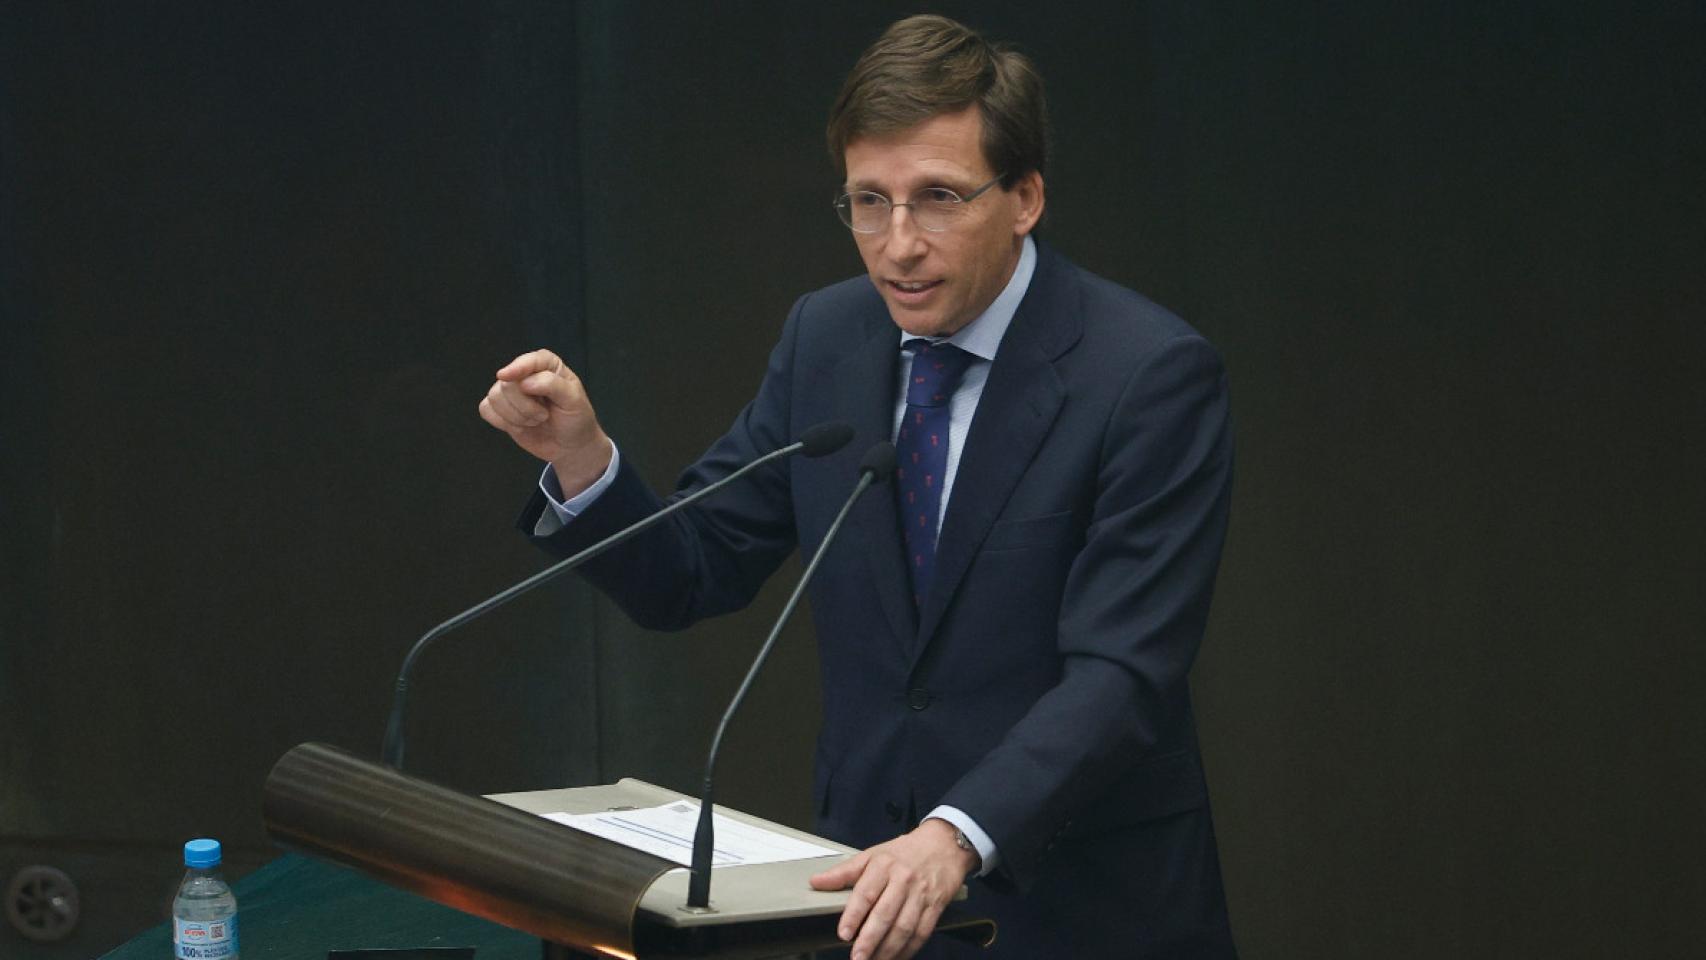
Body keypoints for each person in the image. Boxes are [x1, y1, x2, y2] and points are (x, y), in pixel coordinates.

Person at [480, 14, 1237, 959]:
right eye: (868, 202)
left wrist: (956, 835)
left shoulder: (1146, 374)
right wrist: (583, 458)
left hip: (1084, 910)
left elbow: (1123, 675)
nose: (898, 244)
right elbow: (693, 571)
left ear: (1027, 196)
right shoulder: (828, 339)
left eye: (939, 198)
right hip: (865, 902)